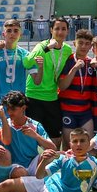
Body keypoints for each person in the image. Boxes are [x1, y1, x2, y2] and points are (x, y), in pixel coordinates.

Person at [23, 17, 73, 146]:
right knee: (30, 138)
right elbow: (27, 62)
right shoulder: (42, 45)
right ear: (51, 30)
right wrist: (46, 49)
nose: (60, 32)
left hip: (52, 97)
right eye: (57, 28)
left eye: (63, 29)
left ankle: (53, 165)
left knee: (56, 138)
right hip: (34, 96)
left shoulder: (67, 50)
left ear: (67, 31)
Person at [58, 29, 97, 135]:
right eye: (81, 43)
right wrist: (74, 69)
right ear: (75, 43)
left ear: (91, 46)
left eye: (87, 44)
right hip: (68, 110)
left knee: (90, 145)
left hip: (85, 111)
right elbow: (62, 86)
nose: (83, 46)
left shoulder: (92, 63)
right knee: (68, 147)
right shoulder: (68, 61)